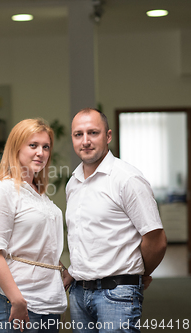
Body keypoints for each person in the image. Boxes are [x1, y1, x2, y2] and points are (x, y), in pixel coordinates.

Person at [62, 108, 167, 333]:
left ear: (108, 136)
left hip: (116, 294)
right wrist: (74, 270)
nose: (85, 141)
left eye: (93, 133)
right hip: (79, 294)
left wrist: (140, 273)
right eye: (78, 134)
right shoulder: (73, 183)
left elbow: (156, 239)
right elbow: (85, 235)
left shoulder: (127, 179)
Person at [0, 118, 68, 333]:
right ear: (16, 148)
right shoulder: (3, 190)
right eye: (33, 145)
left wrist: (62, 270)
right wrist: (17, 301)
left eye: (45, 147)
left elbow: (38, 243)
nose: (41, 152)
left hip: (49, 300)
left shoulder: (38, 194)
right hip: (17, 301)